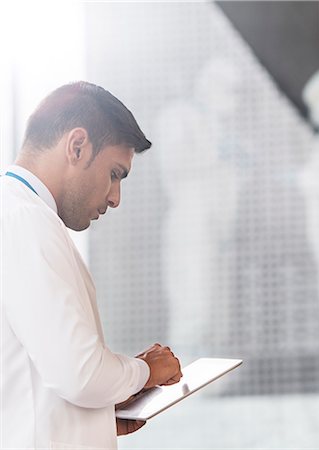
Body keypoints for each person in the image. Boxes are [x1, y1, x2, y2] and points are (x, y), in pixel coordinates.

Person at [1, 81, 182, 449]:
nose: (115, 198)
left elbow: (30, 382)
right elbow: (80, 374)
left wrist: (97, 416)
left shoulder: (18, 214)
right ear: (77, 146)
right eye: (115, 174)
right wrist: (148, 371)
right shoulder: (27, 221)